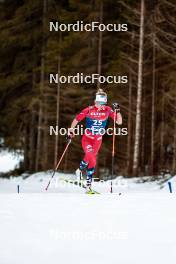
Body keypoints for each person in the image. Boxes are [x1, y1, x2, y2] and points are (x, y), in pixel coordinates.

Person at [68, 89, 122, 193]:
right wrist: (71, 130)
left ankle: (79, 170)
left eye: (104, 103)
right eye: (100, 103)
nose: (102, 105)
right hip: (87, 139)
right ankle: (88, 186)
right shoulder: (88, 110)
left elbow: (119, 122)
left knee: (89, 158)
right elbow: (76, 120)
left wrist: (118, 111)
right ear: (95, 102)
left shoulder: (107, 110)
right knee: (92, 159)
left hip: (98, 140)